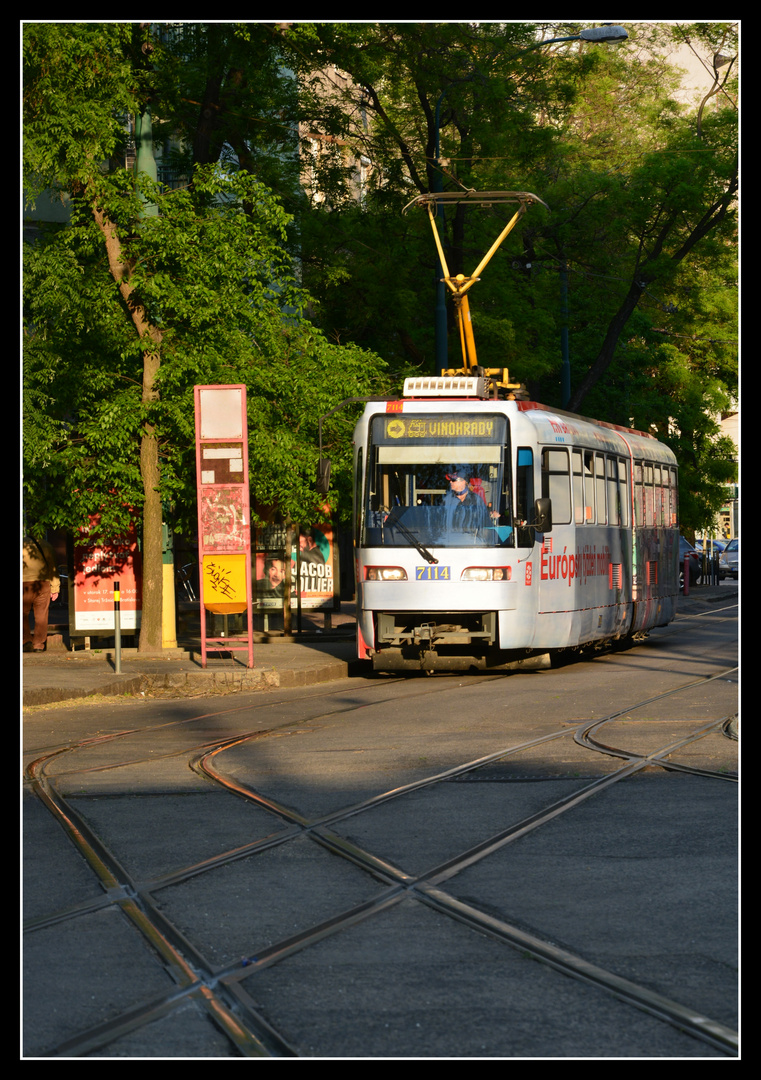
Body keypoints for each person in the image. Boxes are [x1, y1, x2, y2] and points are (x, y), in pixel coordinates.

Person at [23, 536, 61, 652]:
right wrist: (55, 588)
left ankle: (25, 641)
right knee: (41, 615)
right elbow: (52, 567)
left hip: (24, 583)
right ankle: (38, 644)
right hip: (43, 582)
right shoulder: (46, 545)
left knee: (22, 614)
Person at [444, 467, 492, 535]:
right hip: (451, 541)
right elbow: (441, 524)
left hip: (471, 542)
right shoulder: (447, 500)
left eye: (453, 479)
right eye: (450, 479)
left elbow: (486, 524)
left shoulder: (476, 500)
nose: (450, 481)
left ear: (464, 481)